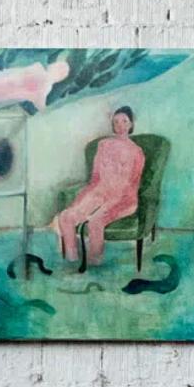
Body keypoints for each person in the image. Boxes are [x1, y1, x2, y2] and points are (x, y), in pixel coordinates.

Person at [49, 105, 146, 272]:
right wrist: (83, 202)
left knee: (96, 221)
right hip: (99, 191)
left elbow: (132, 184)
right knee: (66, 216)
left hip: (123, 197)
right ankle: (72, 260)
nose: (120, 125)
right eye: (116, 122)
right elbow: (95, 178)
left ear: (131, 124)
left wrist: (112, 200)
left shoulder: (137, 152)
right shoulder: (103, 145)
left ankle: (94, 262)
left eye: (124, 121)